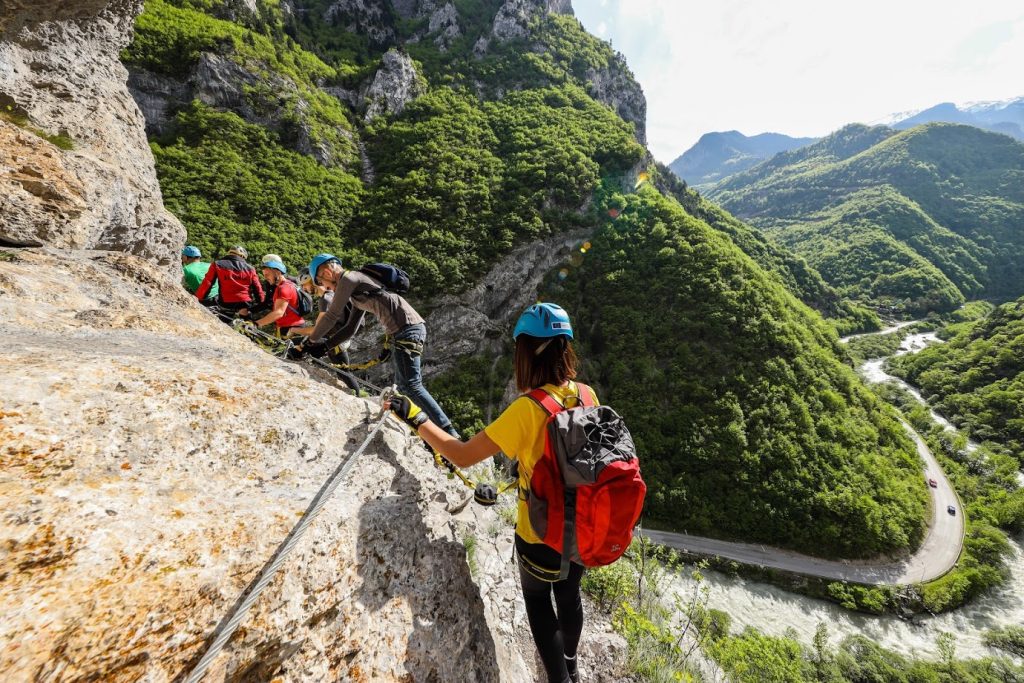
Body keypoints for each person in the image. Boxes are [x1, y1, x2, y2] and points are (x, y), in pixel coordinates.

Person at [386, 303, 589, 683]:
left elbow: (461, 455)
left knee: (538, 601)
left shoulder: (527, 410)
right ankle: (573, 666)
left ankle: (561, 680)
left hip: (541, 535)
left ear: (527, 352)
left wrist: (415, 417)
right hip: (585, 527)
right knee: (570, 593)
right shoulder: (587, 394)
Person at [294, 254, 459, 437]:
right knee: (405, 386)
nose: (325, 287)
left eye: (322, 282)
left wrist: (310, 342)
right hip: (404, 329)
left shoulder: (349, 278)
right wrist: (324, 347)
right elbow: (350, 328)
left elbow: (331, 316)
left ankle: (447, 432)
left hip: (406, 328)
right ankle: (430, 431)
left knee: (411, 385)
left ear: (326, 271)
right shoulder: (357, 288)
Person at [289, 269, 362, 393]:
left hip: (333, 340)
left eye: (304, 284)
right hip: (337, 339)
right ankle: (358, 394)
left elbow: (317, 330)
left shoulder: (325, 299)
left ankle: (358, 395)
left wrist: (294, 330)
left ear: (312, 282)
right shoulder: (332, 294)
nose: (303, 288)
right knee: (343, 372)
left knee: (344, 372)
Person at [195, 245, 264, 319]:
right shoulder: (250, 269)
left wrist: (199, 298)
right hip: (244, 303)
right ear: (243, 257)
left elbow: (207, 283)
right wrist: (261, 302)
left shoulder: (217, 264)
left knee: (224, 321)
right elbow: (257, 287)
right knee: (246, 325)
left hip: (226, 302)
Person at [251, 259, 305, 337]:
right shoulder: (286, 285)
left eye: (267, 274)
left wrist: (255, 324)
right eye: (264, 275)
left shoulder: (284, 288)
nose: (265, 277)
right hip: (288, 327)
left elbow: (279, 312)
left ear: (278, 273)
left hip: (291, 328)